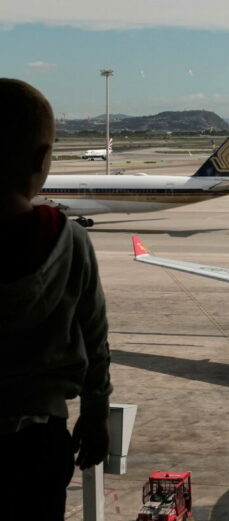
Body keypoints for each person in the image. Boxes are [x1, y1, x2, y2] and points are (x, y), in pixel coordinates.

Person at [0, 78, 112, 519]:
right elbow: (96, 341)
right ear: (40, 159)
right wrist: (96, 412)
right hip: (37, 443)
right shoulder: (69, 241)